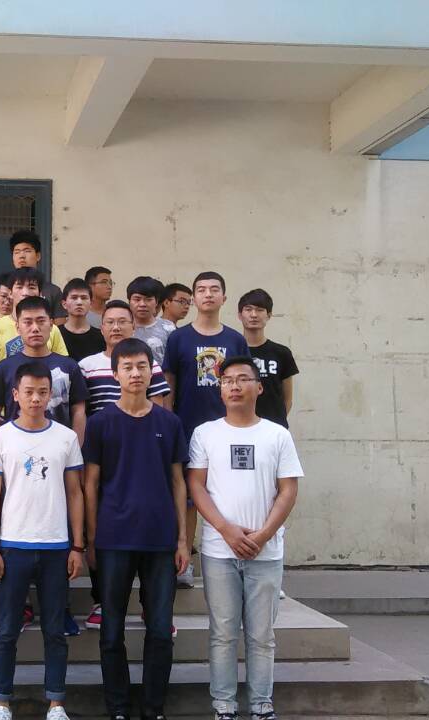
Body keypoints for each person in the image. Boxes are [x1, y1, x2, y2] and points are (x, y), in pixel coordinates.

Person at [187, 356, 303, 720]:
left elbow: (288, 489)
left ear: (260, 387)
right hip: (219, 551)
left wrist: (265, 534)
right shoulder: (205, 433)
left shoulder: (277, 435)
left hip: (266, 553)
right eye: (227, 381)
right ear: (220, 389)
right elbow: (196, 486)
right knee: (223, 633)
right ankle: (224, 705)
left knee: (261, 635)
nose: (234, 386)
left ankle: (261, 704)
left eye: (242, 379)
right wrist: (226, 529)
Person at [83, 339, 189, 720]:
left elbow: (178, 482)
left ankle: (153, 707)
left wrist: (183, 539)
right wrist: (91, 539)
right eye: (127, 367)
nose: (135, 373)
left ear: (152, 371)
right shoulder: (100, 423)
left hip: (160, 540)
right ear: (115, 374)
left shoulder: (169, 423)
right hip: (113, 539)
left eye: (142, 366)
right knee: (111, 630)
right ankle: (118, 707)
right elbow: (90, 484)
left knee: (160, 629)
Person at [0, 362, 85, 720]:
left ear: (51, 394)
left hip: (56, 545)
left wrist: (77, 545)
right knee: (7, 630)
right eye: (28, 392)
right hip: (13, 545)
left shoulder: (66, 438)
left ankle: (56, 703)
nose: (36, 398)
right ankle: (2, 702)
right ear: (15, 394)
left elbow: (75, 493)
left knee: (54, 630)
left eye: (43, 392)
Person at [77, 301, 170, 630]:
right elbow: (81, 410)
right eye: (110, 322)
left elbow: (158, 406)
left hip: (142, 450)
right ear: (101, 327)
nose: (116, 327)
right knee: (101, 526)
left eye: (123, 322)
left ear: (134, 326)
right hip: (104, 448)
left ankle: (150, 607)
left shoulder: (148, 364)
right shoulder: (87, 365)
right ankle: (102, 601)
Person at [162, 271, 249, 590]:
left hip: (227, 430)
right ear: (194, 298)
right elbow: (169, 384)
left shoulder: (235, 340)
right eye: (201, 290)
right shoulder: (178, 338)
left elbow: (244, 383)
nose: (208, 294)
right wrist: (168, 422)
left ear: (224, 297)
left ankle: (236, 555)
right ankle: (184, 560)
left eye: (214, 289)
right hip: (187, 428)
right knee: (186, 497)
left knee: (228, 493)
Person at [0, 296, 88, 445]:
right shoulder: (3, 368)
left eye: (41, 321)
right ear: (18, 327)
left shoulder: (69, 367)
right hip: (14, 448)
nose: (35, 328)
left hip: (59, 448)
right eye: (28, 322)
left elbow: (78, 411)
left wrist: (76, 448)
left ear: (51, 324)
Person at [0, 268, 69, 390]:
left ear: (40, 293)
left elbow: (63, 369)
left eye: (31, 287)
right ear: (10, 293)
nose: (25, 292)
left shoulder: (52, 329)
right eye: (19, 287)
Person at [238, 289, 299, 428]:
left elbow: (287, 399)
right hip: (239, 428)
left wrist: (275, 427)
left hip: (273, 428)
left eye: (260, 310)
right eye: (248, 309)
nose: (254, 315)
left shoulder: (281, 353)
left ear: (269, 315)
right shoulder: (232, 351)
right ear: (240, 315)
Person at [0, 230, 66, 324]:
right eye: (17, 252)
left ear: (38, 256)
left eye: (27, 251)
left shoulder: (53, 291)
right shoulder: (2, 290)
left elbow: (60, 326)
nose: (22, 256)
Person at [59, 278, 106, 362]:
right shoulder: (55, 334)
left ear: (91, 303)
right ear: (64, 304)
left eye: (84, 298)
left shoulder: (101, 337)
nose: (79, 302)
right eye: (74, 298)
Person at [128, 276, 170, 368]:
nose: (142, 304)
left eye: (148, 299)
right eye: (137, 299)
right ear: (129, 301)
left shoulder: (168, 327)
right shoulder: (122, 328)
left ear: (156, 302)